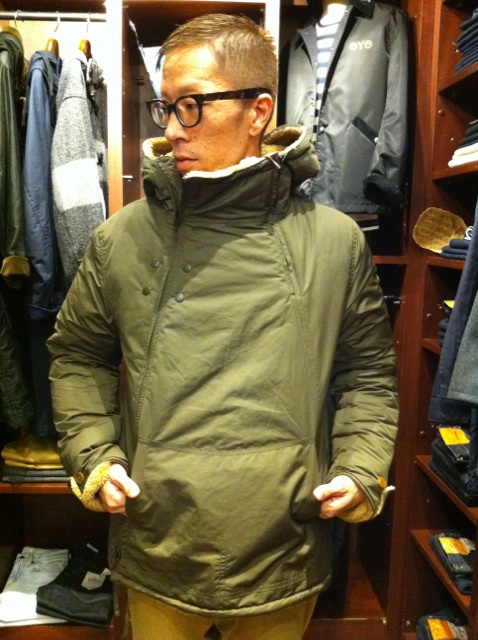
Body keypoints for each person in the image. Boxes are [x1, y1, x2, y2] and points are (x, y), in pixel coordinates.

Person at [47, 13, 399, 640]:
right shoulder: (121, 239)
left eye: (192, 106)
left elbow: (367, 374)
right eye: (165, 107)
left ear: (258, 111)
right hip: (157, 537)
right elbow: (77, 356)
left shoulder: (334, 242)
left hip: (283, 544)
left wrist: (360, 466)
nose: (171, 129)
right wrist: (94, 455)